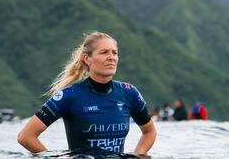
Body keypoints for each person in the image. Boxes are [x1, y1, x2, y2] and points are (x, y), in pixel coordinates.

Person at [18, 32, 156, 154]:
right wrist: (50, 157)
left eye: (114, 52)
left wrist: (139, 155)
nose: (111, 57)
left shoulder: (129, 92)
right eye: (104, 52)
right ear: (87, 58)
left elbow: (149, 132)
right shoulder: (69, 96)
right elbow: (26, 136)